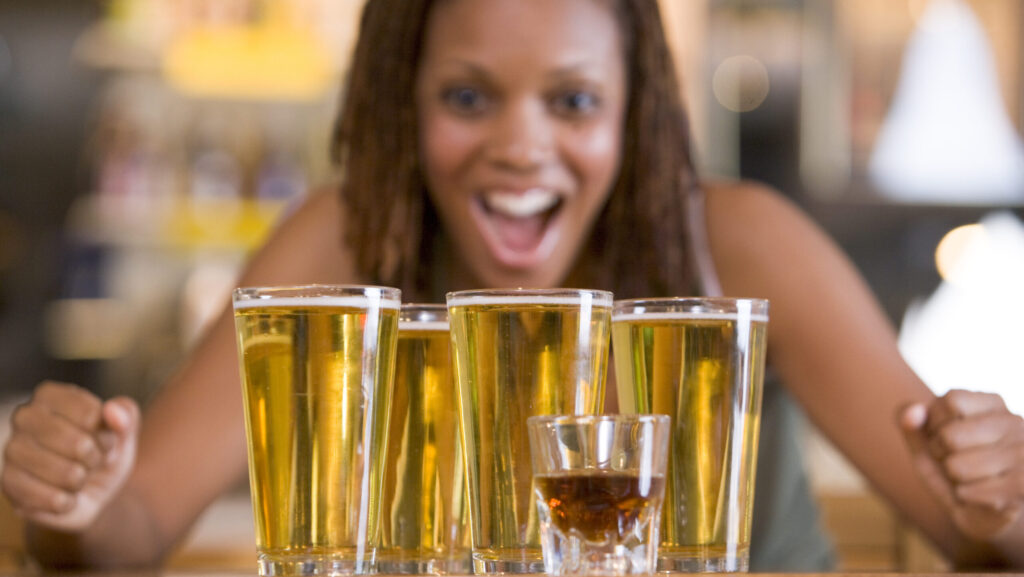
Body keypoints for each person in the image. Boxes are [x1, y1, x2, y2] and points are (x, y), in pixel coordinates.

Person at [3, 0, 1024, 570]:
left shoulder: (744, 246)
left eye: (572, 100)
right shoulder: (346, 243)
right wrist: (74, 502)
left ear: (636, 114)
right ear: (402, 104)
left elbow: (973, 539)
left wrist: (1000, 497)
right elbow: (126, 532)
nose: (520, 145)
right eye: (465, 96)